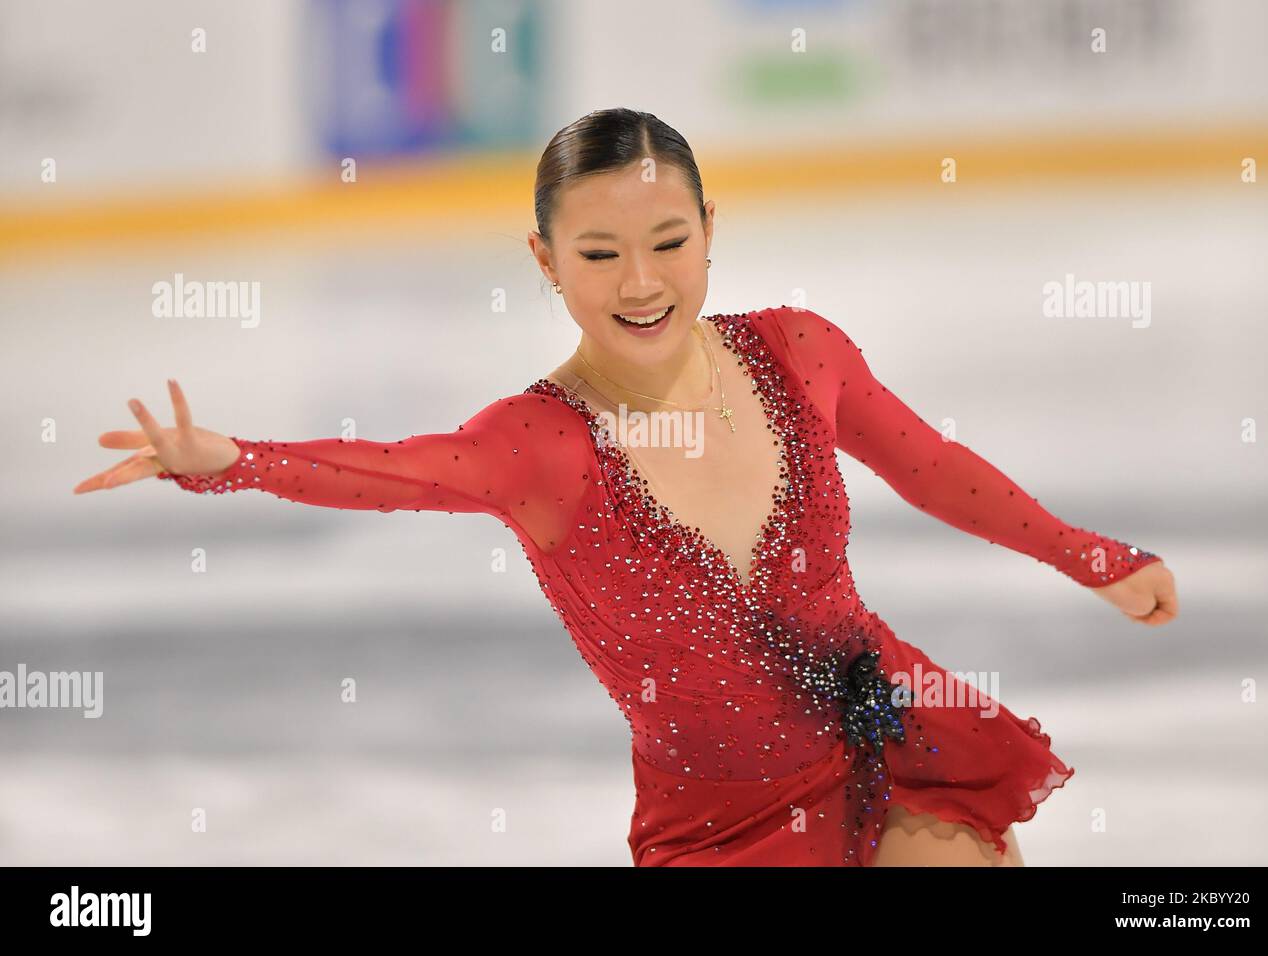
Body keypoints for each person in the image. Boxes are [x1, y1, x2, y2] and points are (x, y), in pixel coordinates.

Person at [74, 108, 1177, 867]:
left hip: (892, 720)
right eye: (598, 254)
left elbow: (934, 468)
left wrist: (1097, 557)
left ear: (709, 233)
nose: (641, 283)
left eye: (668, 241)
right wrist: (236, 463)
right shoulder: (538, 446)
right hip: (723, 819)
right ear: (545, 261)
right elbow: (391, 471)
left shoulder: (801, 352)